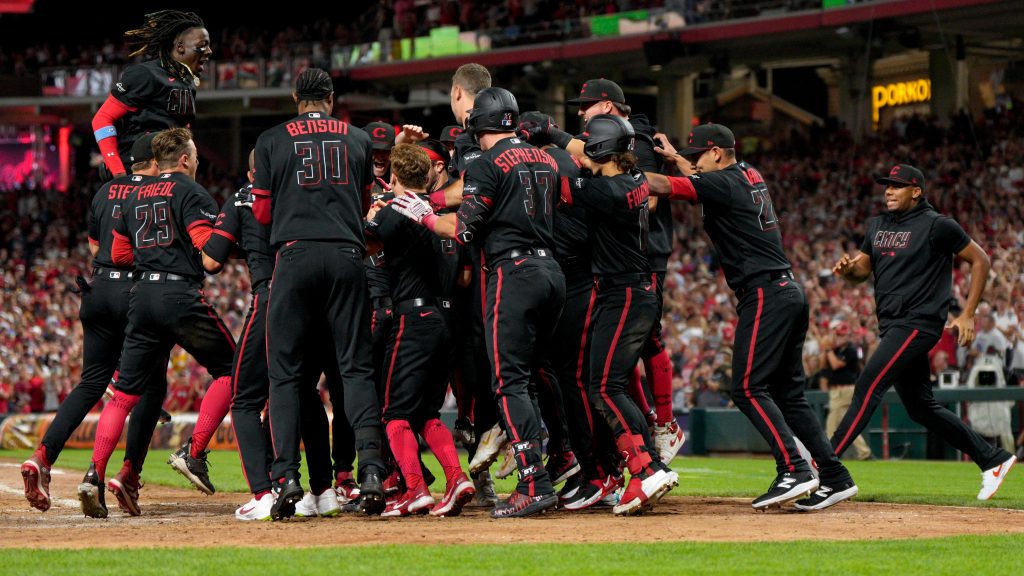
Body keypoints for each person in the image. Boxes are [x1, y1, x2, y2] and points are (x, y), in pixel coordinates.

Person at [639, 123, 856, 511]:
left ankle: (794, 469)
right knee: (789, 394)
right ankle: (835, 475)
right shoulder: (747, 174)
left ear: (717, 154)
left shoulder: (721, 183)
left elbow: (668, 186)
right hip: (788, 290)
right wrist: (677, 159)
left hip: (764, 294)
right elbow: (701, 182)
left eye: (698, 156)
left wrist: (622, 169)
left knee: (746, 388)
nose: (695, 164)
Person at [390, 87, 565, 518]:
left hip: (514, 273)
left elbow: (464, 230)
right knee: (535, 374)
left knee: (508, 382)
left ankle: (534, 482)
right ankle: (556, 460)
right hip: (552, 273)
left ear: (477, 124)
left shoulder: (487, 163)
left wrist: (424, 215)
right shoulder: (545, 159)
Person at [830, 163, 1015, 500]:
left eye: (897, 186)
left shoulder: (937, 225)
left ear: (916, 191)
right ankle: (993, 459)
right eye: (886, 185)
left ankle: (824, 468)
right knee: (920, 407)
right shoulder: (877, 225)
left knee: (868, 384)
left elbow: (982, 260)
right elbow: (862, 270)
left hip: (919, 322)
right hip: (892, 324)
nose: (888, 190)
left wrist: (968, 314)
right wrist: (849, 271)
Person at [250, 68, 386, 519]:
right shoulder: (359, 139)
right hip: (348, 258)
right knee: (355, 369)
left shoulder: (271, 139)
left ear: (295, 96)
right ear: (330, 98)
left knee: (286, 375)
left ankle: (286, 477)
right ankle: (369, 469)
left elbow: (264, 212)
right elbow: (366, 204)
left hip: (294, 256)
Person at [79, 128, 236, 518]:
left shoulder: (132, 194)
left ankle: (96, 475)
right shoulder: (191, 191)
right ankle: (193, 452)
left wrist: (152, 261)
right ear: (183, 159)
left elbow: (116, 252)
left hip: (141, 298)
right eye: (196, 154)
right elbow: (209, 257)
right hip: (179, 296)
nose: (197, 161)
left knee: (124, 394)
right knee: (235, 369)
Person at [21, 134, 165, 513]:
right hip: (136, 294)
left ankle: (42, 457)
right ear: (154, 161)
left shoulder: (104, 192)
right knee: (149, 388)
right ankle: (125, 474)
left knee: (90, 384)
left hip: (97, 290)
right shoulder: (156, 190)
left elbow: (95, 250)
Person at [555, 114, 679, 514]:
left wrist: (544, 143)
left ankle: (644, 469)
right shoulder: (635, 180)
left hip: (622, 293)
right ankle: (651, 464)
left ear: (601, 149)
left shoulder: (602, 191)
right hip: (637, 291)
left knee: (604, 387)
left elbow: (555, 181)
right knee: (612, 386)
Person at [365, 143, 475, 517]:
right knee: (427, 413)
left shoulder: (396, 212)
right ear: (429, 176)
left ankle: (415, 489)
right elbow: (463, 278)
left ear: (394, 177)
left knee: (393, 413)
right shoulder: (441, 213)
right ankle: (456, 477)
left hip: (413, 321)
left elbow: (364, 239)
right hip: (446, 322)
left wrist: (371, 210)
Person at [91, 11, 211, 179]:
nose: (209, 51)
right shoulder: (145, 74)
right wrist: (117, 171)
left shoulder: (188, 82)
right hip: (136, 174)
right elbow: (102, 119)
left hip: (166, 175)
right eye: (203, 45)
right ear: (180, 47)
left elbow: (181, 128)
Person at [819, 321, 872, 460]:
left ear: (847, 336)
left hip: (846, 390)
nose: (840, 338)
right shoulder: (836, 350)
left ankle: (830, 453)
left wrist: (828, 349)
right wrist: (826, 348)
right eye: (838, 335)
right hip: (837, 391)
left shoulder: (851, 349)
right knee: (846, 425)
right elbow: (823, 365)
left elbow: (836, 365)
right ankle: (864, 452)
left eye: (842, 335)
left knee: (831, 423)